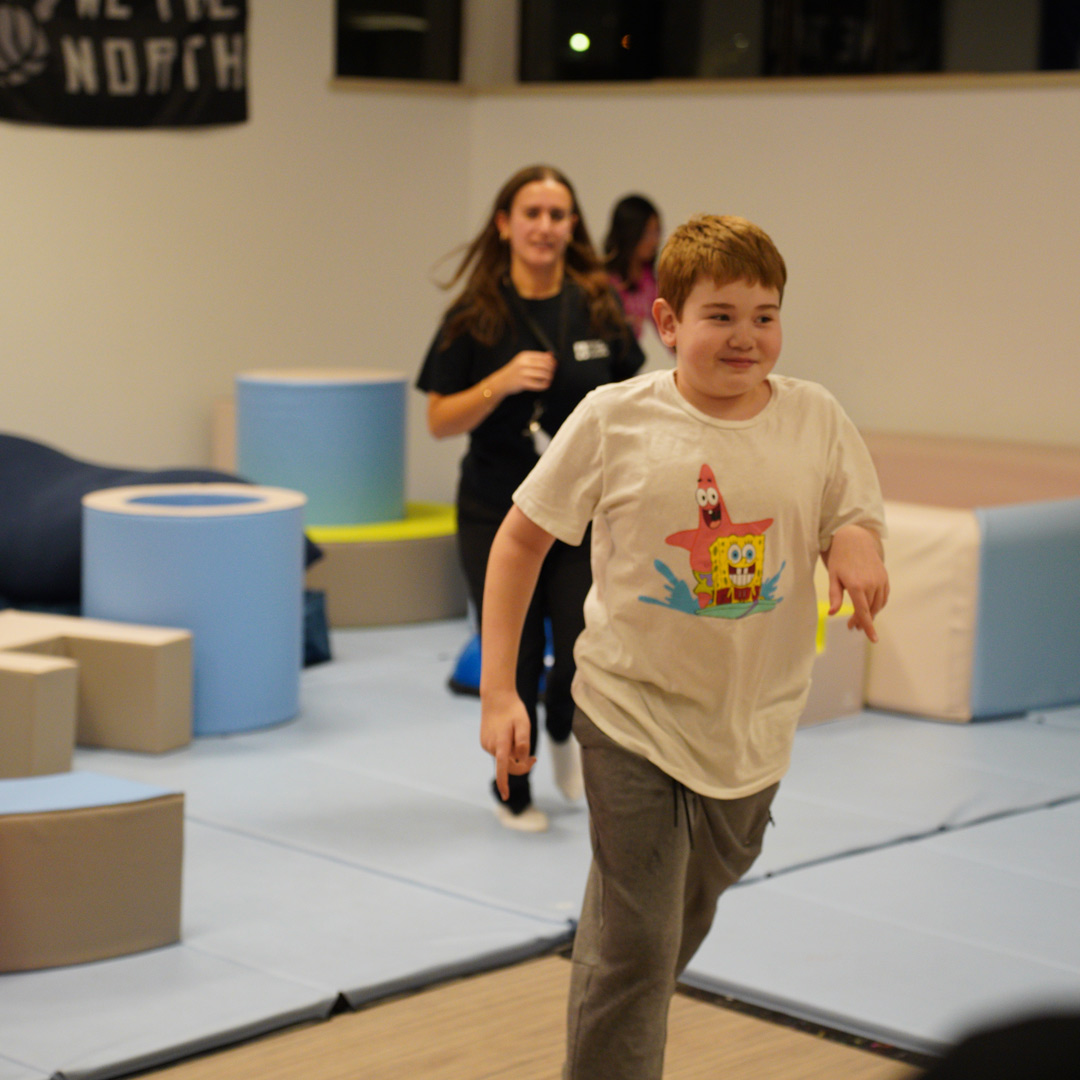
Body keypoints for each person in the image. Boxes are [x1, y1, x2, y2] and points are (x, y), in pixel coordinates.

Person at [479, 214, 889, 1078]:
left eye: (765, 314)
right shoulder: (616, 418)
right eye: (721, 315)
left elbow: (851, 508)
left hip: (754, 725)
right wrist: (500, 692)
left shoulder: (814, 416)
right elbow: (518, 542)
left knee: (667, 928)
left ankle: (615, 968)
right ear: (667, 324)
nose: (747, 337)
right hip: (629, 711)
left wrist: (855, 540)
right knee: (639, 943)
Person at [417, 164, 644, 833]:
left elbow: (633, 396)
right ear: (505, 224)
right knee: (510, 657)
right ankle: (511, 787)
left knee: (580, 648)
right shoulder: (475, 313)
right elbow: (438, 420)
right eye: (533, 213)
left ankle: (560, 729)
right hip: (497, 509)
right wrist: (501, 383)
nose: (545, 226)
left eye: (558, 214)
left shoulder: (597, 305)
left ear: (573, 226)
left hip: (580, 514)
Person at [604, 193, 662, 340]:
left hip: (630, 360)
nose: (655, 241)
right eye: (648, 233)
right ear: (631, 232)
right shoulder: (604, 280)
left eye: (657, 232)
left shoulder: (649, 280)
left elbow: (664, 327)